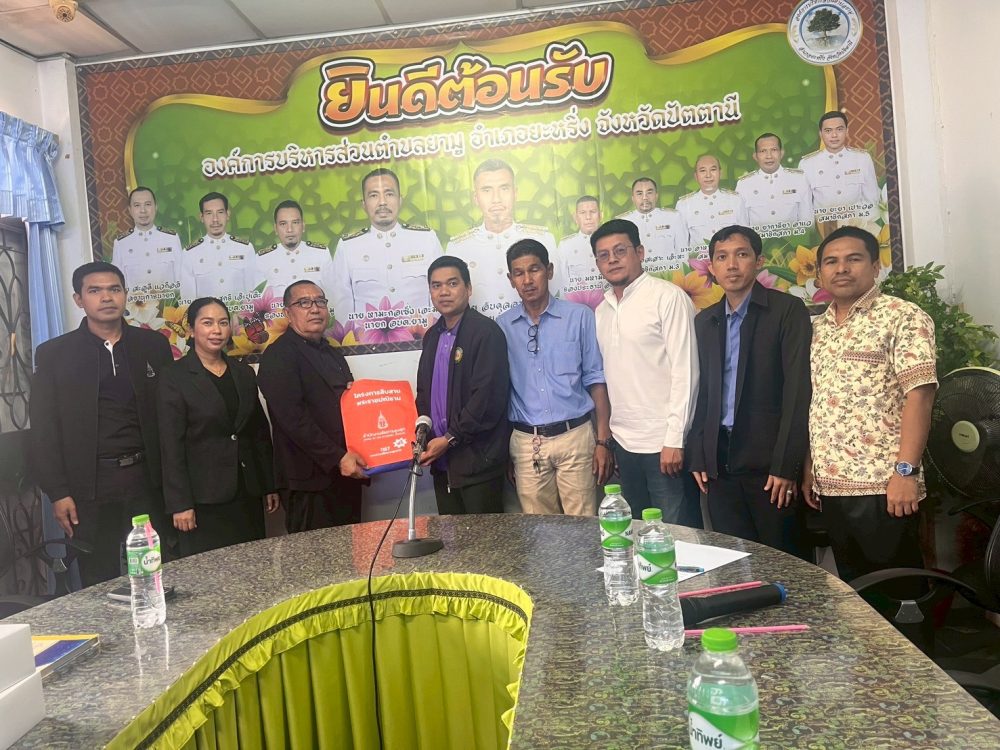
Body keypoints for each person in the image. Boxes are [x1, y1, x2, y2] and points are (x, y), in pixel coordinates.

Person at [803, 226, 937, 583]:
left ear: (876, 266)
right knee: (857, 592)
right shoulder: (817, 329)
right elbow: (816, 402)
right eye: (831, 262)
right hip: (831, 487)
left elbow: (920, 396)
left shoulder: (902, 316)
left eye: (853, 259)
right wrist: (809, 466)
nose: (841, 268)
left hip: (884, 486)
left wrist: (905, 473)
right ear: (820, 274)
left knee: (899, 590)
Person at [28, 261, 172, 586]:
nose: (107, 297)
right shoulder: (55, 354)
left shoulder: (152, 346)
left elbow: (169, 416)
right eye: (95, 291)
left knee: (156, 576)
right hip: (90, 488)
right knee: (98, 582)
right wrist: (58, 493)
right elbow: (44, 431)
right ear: (79, 299)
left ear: (125, 294)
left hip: (147, 481)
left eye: (114, 289)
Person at [688, 226, 811, 556]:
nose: (731, 265)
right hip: (719, 464)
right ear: (712, 267)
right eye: (721, 257)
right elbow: (703, 391)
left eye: (741, 255)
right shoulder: (706, 321)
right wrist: (699, 452)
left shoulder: (786, 311)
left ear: (759, 261)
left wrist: (786, 466)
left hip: (769, 466)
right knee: (734, 561)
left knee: (785, 561)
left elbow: (798, 391)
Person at [591, 219, 698, 522]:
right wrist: (611, 441)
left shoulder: (668, 298)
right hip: (625, 446)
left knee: (676, 534)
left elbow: (686, 373)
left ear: (639, 252)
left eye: (620, 251)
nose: (612, 260)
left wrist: (675, 439)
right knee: (639, 533)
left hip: (664, 445)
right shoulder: (601, 311)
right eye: (603, 255)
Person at [497, 239, 613, 516]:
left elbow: (596, 379)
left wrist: (603, 441)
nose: (527, 280)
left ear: (549, 271)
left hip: (575, 437)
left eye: (534, 269)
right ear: (511, 279)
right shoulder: (502, 327)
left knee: (583, 525)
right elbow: (501, 392)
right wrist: (506, 452)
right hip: (528, 443)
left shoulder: (579, 317)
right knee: (540, 530)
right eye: (519, 273)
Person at [157, 297, 279, 557]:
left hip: (247, 491)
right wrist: (180, 504)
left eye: (223, 323)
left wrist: (268, 485)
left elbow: (258, 432)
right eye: (207, 323)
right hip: (203, 498)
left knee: (253, 565)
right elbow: (170, 445)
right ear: (191, 330)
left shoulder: (243, 373)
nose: (217, 330)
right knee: (211, 571)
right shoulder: (174, 376)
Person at [257, 280, 368, 531]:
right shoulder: (279, 355)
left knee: (351, 551)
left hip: (345, 472)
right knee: (314, 555)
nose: (315, 309)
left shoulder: (332, 353)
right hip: (307, 481)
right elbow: (293, 420)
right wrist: (337, 457)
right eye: (304, 303)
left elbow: (348, 407)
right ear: (288, 313)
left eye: (320, 301)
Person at [416, 256, 510, 514]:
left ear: (468, 289)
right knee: (451, 537)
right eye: (436, 286)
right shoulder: (432, 336)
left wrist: (450, 438)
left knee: (484, 538)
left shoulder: (485, 332)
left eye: (452, 283)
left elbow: (486, 399)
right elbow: (423, 392)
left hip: (478, 463)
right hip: (441, 462)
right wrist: (425, 435)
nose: (444, 292)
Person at [329, 168, 442, 325]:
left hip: (424, 336)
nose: (382, 202)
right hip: (366, 339)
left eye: (389, 194)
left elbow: (440, 294)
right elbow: (342, 305)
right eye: (373, 195)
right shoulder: (348, 247)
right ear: (364, 204)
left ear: (400, 200)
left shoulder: (426, 239)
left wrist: (436, 334)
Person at [447, 159, 555, 318]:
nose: (496, 199)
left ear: (515, 193)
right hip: (480, 333)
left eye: (504, 188)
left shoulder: (543, 239)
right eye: (487, 190)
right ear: (476, 198)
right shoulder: (458, 247)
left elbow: (557, 296)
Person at [254, 199, 335, 314]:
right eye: (283, 224)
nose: (289, 229)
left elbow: (332, 296)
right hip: (279, 322)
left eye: (295, 222)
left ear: (303, 226)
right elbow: (258, 302)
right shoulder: (263, 259)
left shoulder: (321, 254)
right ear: (275, 228)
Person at [799, 111, 880, 223]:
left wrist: (859, 224)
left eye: (839, 129)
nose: (834, 135)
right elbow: (805, 207)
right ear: (820, 134)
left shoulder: (862, 158)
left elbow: (872, 200)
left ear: (847, 131)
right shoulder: (807, 164)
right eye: (828, 131)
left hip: (857, 225)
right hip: (823, 227)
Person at [179, 192, 256, 302]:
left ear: (227, 215)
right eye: (209, 213)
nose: (215, 219)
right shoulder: (190, 253)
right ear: (201, 217)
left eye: (220, 212)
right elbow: (187, 301)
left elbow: (253, 294)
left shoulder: (245, 249)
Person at [111, 186, 182, 299]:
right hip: (135, 307)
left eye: (148, 204)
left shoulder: (171, 239)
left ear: (156, 207)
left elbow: (181, 278)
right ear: (130, 210)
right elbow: (117, 284)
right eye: (137, 205)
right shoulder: (121, 244)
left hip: (168, 307)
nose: (143, 210)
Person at [736, 133, 814, 233]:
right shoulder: (744, 184)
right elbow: (741, 226)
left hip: (793, 240)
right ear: (755, 156)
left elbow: (807, 220)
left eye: (774, 150)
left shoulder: (799, 179)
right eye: (763, 151)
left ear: (781, 153)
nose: (769, 156)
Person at [617, 177, 688, 274]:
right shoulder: (622, 222)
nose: (645, 197)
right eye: (639, 193)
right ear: (633, 198)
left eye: (649, 192)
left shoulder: (673, 217)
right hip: (638, 279)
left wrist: (682, 278)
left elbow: (683, 253)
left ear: (656, 195)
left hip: (668, 277)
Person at [675, 156, 748, 249]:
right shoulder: (684, 205)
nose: (708, 175)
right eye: (703, 171)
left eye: (713, 169)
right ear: (696, 176)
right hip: (700, 258)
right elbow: (681, 246)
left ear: (720, 173)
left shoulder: (735, 200)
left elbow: (745, 237)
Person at [552, 195, 605, 297]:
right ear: (575, 217)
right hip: (577, 304)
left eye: (593, 212)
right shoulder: (566, 245)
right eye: (583, 213)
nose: (588, 217)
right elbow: (561, 282)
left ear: (601, 215)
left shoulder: (611, 242)